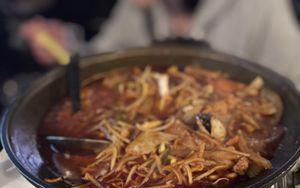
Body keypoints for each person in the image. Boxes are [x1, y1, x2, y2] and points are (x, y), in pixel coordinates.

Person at [20, 0, 300, 86]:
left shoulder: (262, 7)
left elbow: (293, 88)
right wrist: (66, 46)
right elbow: (101, 64)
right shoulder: (139, 8)